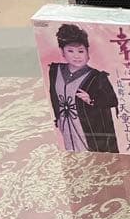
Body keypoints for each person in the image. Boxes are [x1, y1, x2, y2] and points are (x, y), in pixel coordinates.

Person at [48, 24, 119, 153]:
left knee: (91, 156)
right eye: (70, 51)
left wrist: (91, 100)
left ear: (87, 52)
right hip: (66, 126)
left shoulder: (97, 77)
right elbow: (53, 95)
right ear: (62, 52)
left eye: (81, 51)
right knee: (71, 153)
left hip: (90, 130)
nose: (76, 56)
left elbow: (112, 100)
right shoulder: (55, 70)